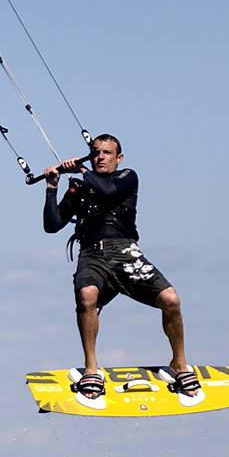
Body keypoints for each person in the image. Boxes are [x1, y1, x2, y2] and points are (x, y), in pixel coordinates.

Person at [42, 134, 200, 401]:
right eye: (95, 153)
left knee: (170, 299)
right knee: (87, 295)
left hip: (125, 251)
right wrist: (52, 187)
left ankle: (179, 363)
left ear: (119, 157)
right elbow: (52, 224)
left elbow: (108, 191)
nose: (100, 157)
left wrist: (80, 169)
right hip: (93, 255)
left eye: (106, 152)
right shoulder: (79, 188)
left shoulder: (127, 177)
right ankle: (91, 368)